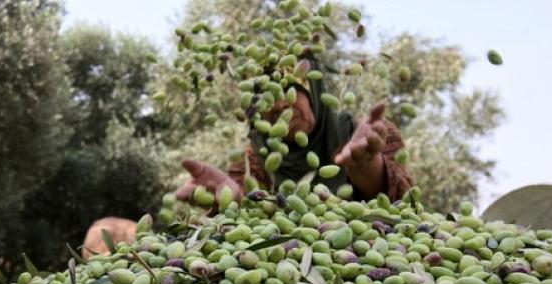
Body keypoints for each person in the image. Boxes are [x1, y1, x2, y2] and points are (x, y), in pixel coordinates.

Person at [83, 57, 413, 257]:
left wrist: (368, 166)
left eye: (289, 92)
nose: (280, 106)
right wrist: (235, 200)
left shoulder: (367, 134)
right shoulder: (253, 160)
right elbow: (241, 225)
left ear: (311, 90)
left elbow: (406, 210)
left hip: (371, 258)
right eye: (267, 103)